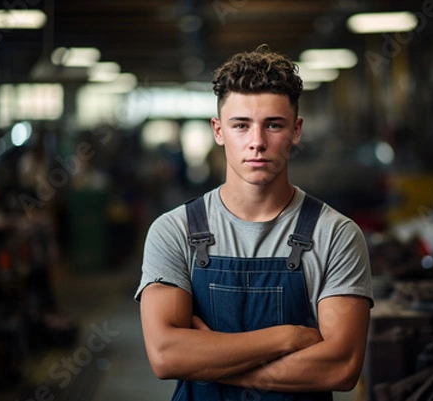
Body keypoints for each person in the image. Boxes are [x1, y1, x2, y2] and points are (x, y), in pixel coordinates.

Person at [135, 43, 374, 400]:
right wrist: (287, 338)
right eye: (241, 125)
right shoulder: (174, 232)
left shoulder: (336, 235)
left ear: (296, 130)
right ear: (218, 131)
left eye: (273, 125)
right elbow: (167, 356)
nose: (257, 142)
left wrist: (208, 359)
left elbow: (341, 367)